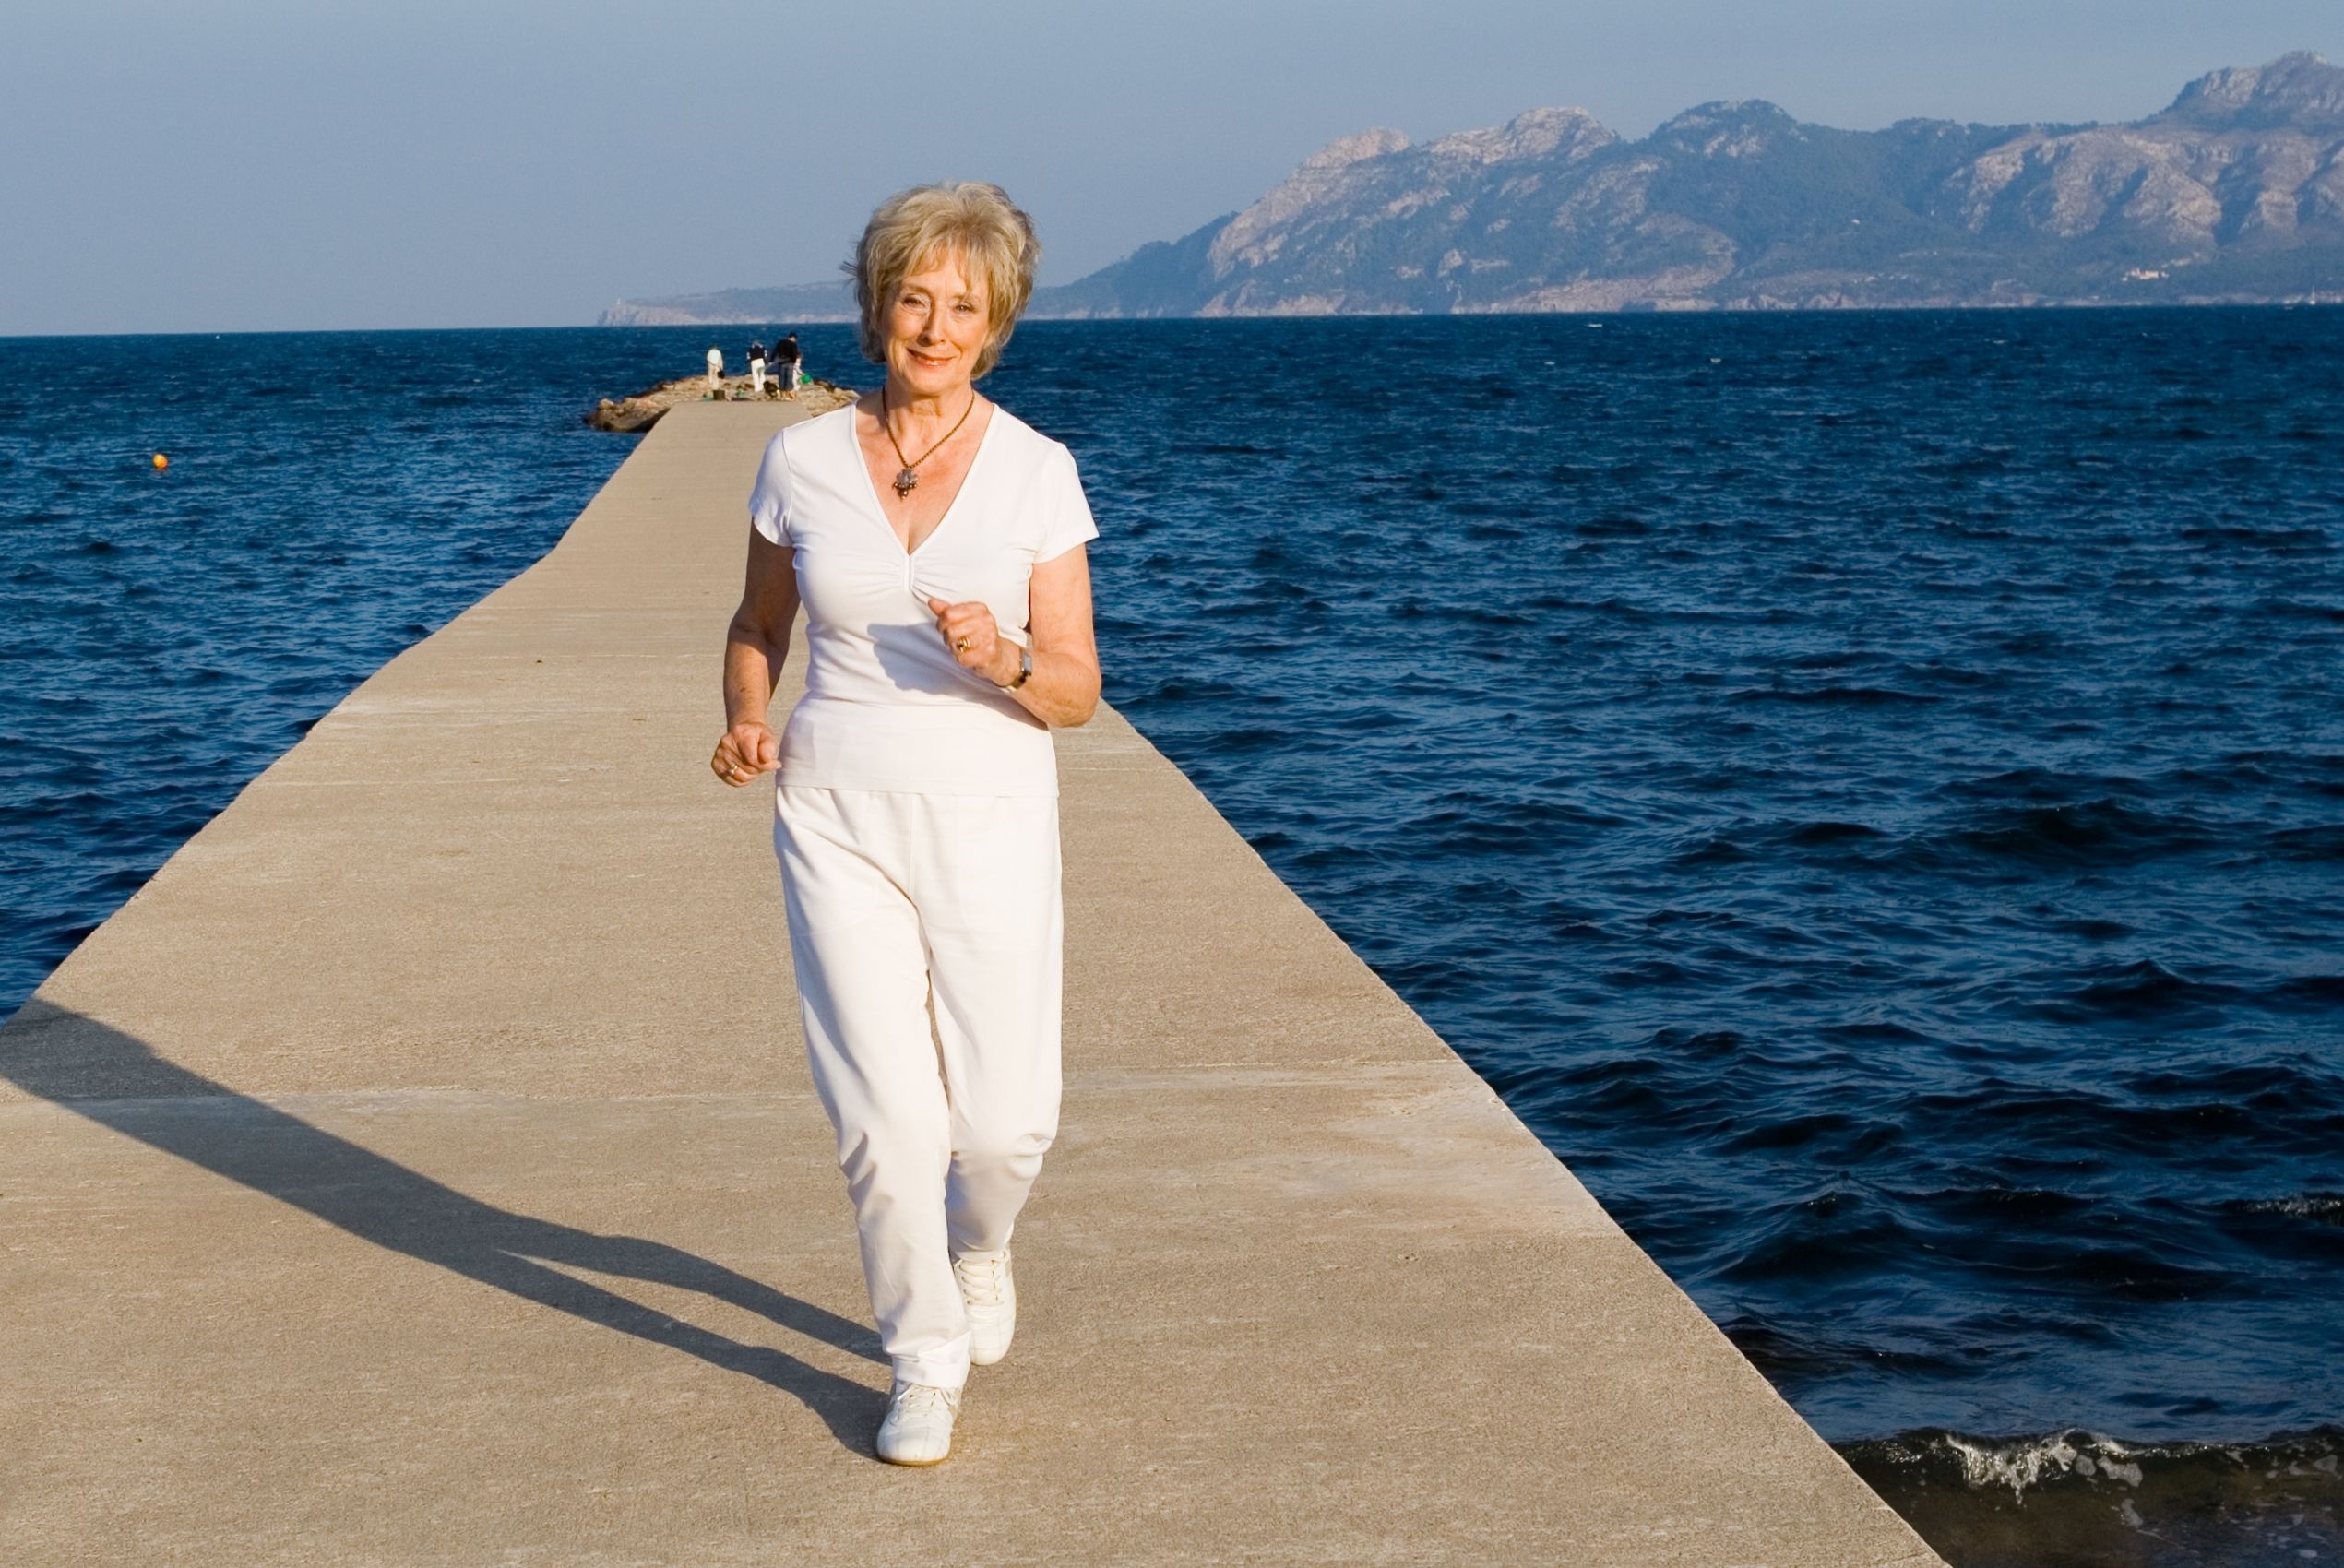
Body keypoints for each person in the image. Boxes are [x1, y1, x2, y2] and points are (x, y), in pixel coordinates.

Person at [710, 182, 1101, 1467]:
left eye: (963, 308)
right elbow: (759, 624)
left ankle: (980, 1244)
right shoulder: (802, 458)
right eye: (915, 299)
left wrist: (998, 660)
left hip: (987, 807)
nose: (935, 326)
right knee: (886, 1119)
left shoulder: (1038, 473)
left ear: (996, 329)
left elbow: (1078, 691)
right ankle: (920, 1359)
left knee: (1003, 1126)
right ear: (876, 309)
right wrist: (750, 716)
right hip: (834, 805)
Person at [774, 331, 802, 398]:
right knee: (789, 379)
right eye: (795, 339)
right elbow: (794, 354)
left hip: (781, 363)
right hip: (790, 363)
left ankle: (782, 395)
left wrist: (772, 360)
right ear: (793, 338)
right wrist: (794, 361)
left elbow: (775, 351)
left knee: (782, 378)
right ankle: (787, 395)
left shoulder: (781, 342)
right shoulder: (793, 344)